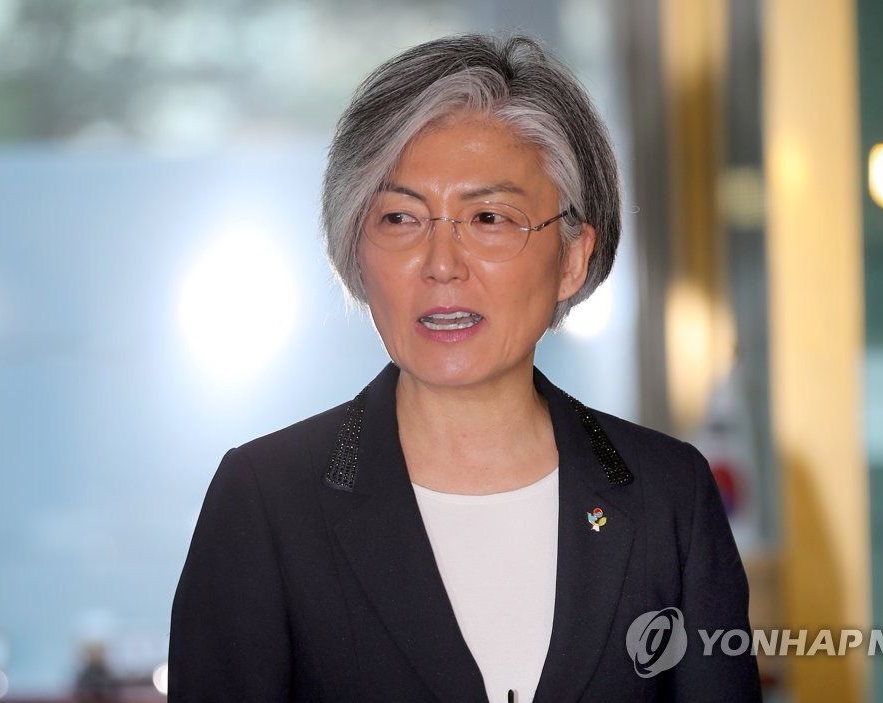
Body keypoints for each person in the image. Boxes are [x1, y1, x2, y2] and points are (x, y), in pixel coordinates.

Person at [169, 33, 760, 702]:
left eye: (488, 217)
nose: (441, 264)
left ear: (572, 258)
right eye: (400, 217)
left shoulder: (667, 495)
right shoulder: (268, 501)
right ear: (355, 249)